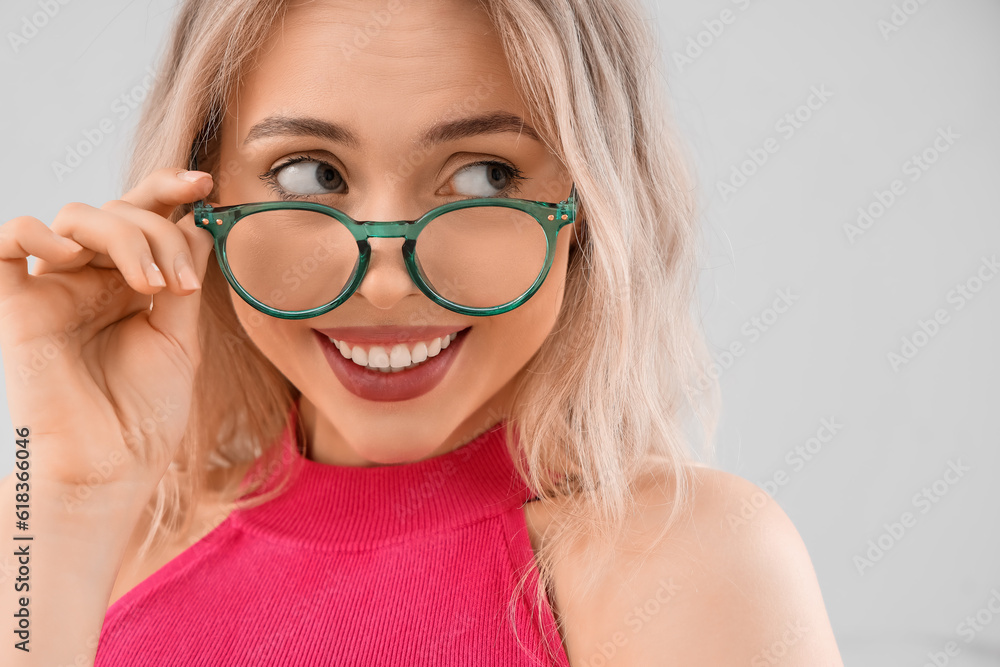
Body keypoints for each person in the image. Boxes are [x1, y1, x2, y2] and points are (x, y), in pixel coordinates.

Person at [0, 0, 845, 664]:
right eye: (310, 174)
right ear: (204, 200)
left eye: (484, 175)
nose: (386, 280)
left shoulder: (688, 559)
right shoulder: (51, 527)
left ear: (587, 208)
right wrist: (68, 497)